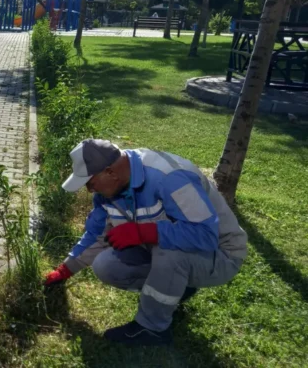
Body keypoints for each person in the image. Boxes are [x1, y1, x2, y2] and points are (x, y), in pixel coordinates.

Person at [44, 139, 247, 345]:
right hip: (169, 249)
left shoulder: (170, 178)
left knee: (169, 251)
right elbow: (97, 236)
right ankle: (179, 288)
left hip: (220, 253)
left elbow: (205, 235)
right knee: (106, 265)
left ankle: (152, 328)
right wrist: (64, 270)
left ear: (110, 173)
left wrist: (144, 232)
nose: (89, 190)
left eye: (90, 183)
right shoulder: (111, 190)